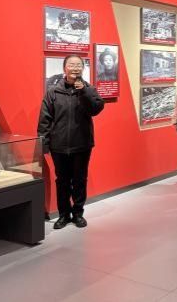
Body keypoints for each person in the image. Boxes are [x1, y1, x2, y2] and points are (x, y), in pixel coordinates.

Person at [37, 54, 105, 229]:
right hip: (58, 145)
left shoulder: (89, 89)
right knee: (62, 181)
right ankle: (63, 215)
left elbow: (95, 109)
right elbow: (45, 119)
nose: (75, 68)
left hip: (82, 144)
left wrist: (83, 91)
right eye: (71, 65)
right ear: (64, 69)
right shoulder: (53, 92)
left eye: (78, 65)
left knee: (80, 180)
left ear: (83, 68)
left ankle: (78, 214)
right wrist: (43, 144)